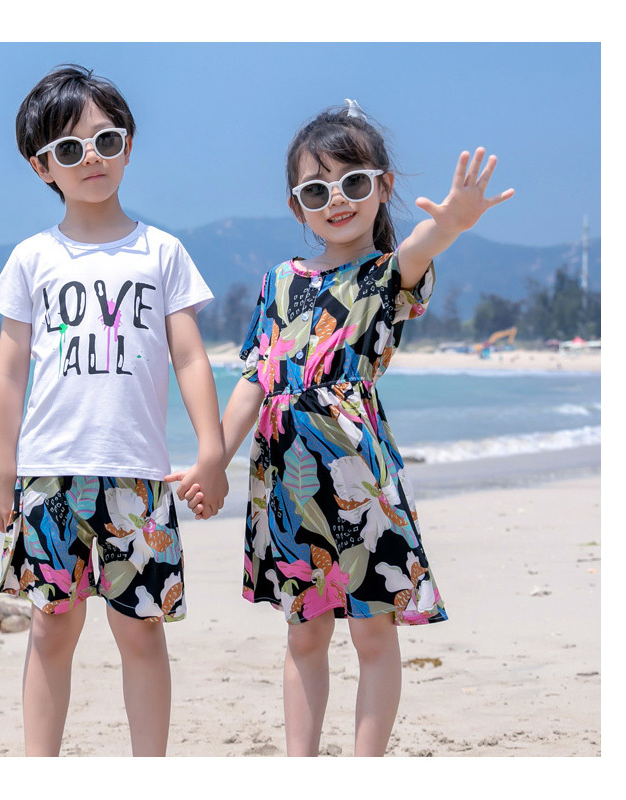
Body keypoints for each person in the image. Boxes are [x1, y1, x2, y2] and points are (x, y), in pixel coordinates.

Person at [170, 100, 514, 756]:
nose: (337, 200)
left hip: (358, 477)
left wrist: (455, 226)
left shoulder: (387, 274)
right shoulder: (278, 283)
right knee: (304, 633)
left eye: (354, 183)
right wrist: (212, 457)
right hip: (287, 483)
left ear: (382, 187)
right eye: (316, 189)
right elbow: (256, 380)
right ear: (296, 205)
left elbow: (421, 246)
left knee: (373, 632)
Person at [0, 64, 228, 757]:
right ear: (42, 169)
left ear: (129, 145)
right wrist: (3, 476)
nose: (90, 157)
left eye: (106, 139)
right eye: (68, 149)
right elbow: (7, 374)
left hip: (138, 476)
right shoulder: (32, 258)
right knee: (50, 626)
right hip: (49, 476)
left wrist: (211, 450)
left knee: (140, 628)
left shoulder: (162, 252)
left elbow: (189, 358)